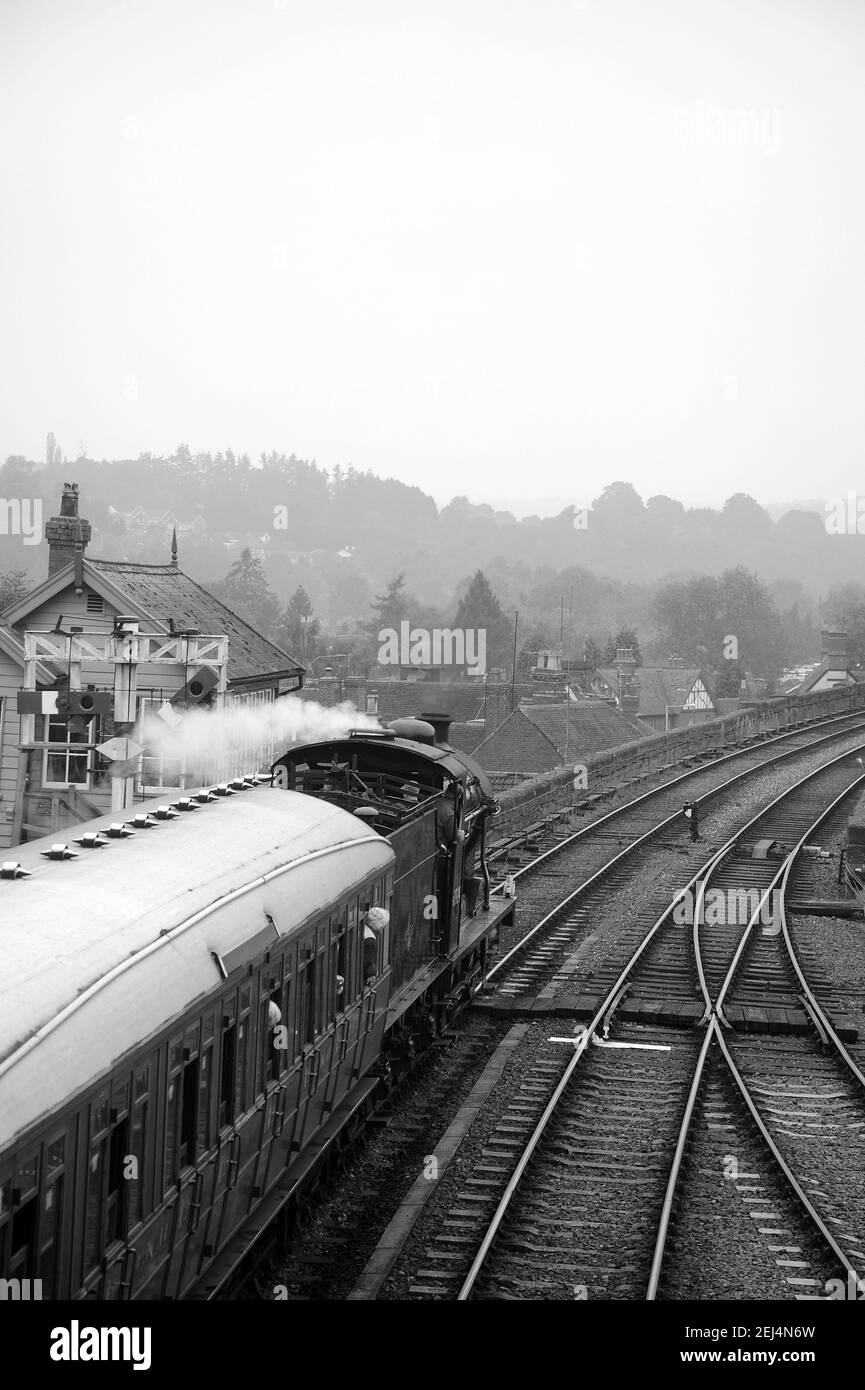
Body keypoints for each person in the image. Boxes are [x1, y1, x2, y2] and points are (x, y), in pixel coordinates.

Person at [362, 906, 390, 983]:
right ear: (379, 926)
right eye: (383, 927)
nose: (381, 931)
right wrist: (374, 972)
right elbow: (366, 966)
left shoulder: (363, 929)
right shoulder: (370, 941)